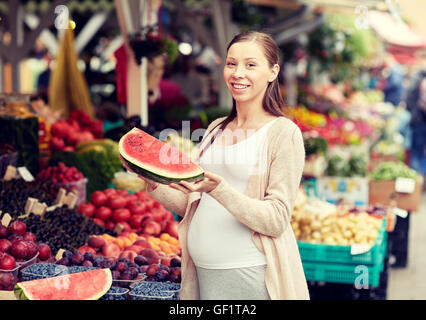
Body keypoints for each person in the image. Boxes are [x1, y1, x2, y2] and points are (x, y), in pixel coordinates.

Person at [122, 31, 309, 300]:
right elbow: (191, 204)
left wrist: (219, 190)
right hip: (202, 272)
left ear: (273, 72)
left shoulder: (283, 133)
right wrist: (149, 178)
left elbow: (276, 219)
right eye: (231, 64)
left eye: (251, 65)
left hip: (247, 272)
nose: (237, 72)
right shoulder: (215, 129)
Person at [405, 67, 426, 177]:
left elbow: (408, 101)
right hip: (420, 120)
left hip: (419, 121)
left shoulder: (419, 80)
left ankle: (415, 181)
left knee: (416, 153)